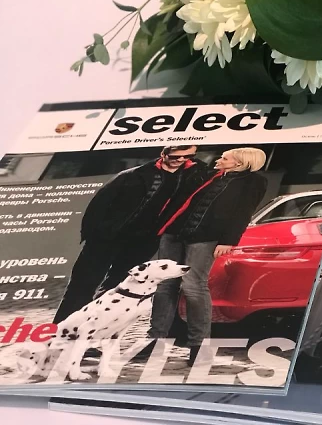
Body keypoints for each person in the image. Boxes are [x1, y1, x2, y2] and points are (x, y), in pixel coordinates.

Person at [145, 147, 268, 365]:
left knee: (193, 285)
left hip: (206, 238)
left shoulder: (253, 181)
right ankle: (155, 340)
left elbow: (243, 212)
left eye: (225, 158)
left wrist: (229, 240)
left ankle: (199, 346)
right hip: (175, 233)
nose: (220, 159)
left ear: (240, 163)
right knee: (165, 285)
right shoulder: (212, 175)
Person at [53, 144, 200, 323]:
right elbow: (98, 204)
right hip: (107, 237)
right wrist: (93, 234)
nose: (181, 160)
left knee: (117, 287)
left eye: (188, 156)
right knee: (83, 283)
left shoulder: (189, 178)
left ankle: (94, 328)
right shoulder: (133, 175)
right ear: (164, 153)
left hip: (143, 242)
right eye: (176, 156)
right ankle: (62, 327)